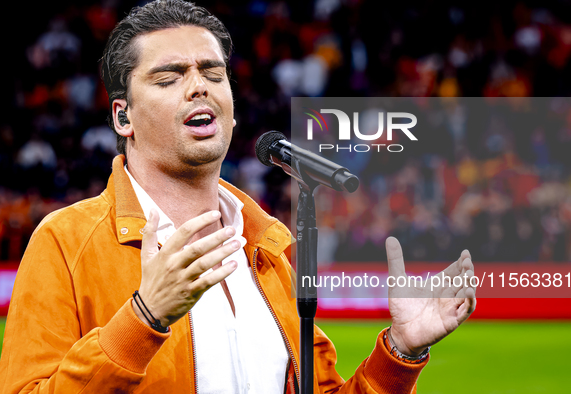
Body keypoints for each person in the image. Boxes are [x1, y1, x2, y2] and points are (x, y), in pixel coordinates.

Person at [0, 1, 476, 393]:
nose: (198, 85)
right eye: (169, 78)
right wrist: (143, 318)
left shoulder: (269, 251)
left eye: (213, 72)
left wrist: (400, 352)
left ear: (231, 112)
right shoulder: (65, 242)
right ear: (123, 118)